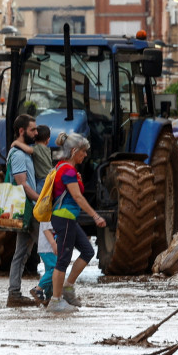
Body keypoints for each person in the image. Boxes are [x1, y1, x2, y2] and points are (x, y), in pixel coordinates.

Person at [48, 133, 106, 312]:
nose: (85, 155)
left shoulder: (64, 167)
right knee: (63, 260)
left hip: (69, 219)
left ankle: (68, 286)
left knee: (88, 251)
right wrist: (95, 216)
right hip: (63, 218)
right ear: (74, 151)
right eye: (83, 151)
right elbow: (78, 197)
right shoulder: (67, 170)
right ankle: (55, 301)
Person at [5, 114, 44, 308]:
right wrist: (41, 201)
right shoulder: (19, 155)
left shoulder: (23, 151)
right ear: (22, 131)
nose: (36, 133)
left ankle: (14, 293)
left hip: (29, 207)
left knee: (21, 253)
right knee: (49, 249)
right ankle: (54, 294)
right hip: (29, 208)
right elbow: (22, 185)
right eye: (32, 130)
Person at [32, 220, 58, 304]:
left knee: (49, 271)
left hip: (47, 248)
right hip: (48, 248)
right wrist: (53, 243)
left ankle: (49, 296)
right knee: (55, 269)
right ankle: (38, 289)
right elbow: (47, 229)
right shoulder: (48, 213)